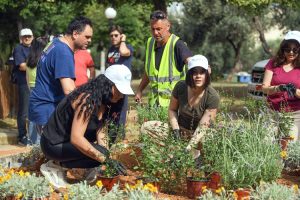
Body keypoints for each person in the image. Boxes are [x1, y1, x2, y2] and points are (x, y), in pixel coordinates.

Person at [40, 64, 134, 189]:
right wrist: (104, 159)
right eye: (119, 90)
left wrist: (106, 160)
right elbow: (76, 138)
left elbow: (101, 132)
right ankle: (54, 165)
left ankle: (81, 167)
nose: (121, 96)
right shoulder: (86, 100)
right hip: (53, 144)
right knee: (101, 155)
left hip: (68, 145)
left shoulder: (105, 102)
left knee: (103, 153)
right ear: (108, 85)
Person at [141, 55, 220, 157]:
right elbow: (172, 109)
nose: (198, 76)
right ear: (189, 74)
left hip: (200, 135)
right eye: (194, 72)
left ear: (207, 75)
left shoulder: (212, 96)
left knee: (211, 138)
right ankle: (165, 157)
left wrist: (188, 147)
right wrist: (175, 130)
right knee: (146, 127)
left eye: (202, 72)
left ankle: (197, 156)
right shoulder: (180, 86)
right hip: (181, 130)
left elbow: (203, 127)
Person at [29, 16, 93, 132]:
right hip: (48, 111)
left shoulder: (55, 43)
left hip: (42, 108)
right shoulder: (63, 52)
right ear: (75, 34)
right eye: (87, 37)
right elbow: (69, 90)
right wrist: (86, 114)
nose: (89, 40)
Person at [135, 10, 193, 107]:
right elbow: (148, 72)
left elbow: (190, 61)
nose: (155, 33)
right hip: (154, 105)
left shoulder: (177, 44)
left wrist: (202, 67)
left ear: (168, 26)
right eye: (153, 29)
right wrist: (140, 90)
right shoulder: (150, 43)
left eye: (159, 29)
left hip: (175, 105)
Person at [262, 30, 300, 140]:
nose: (291, 52)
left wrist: (294, 91)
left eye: (295, 49)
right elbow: (264, 88)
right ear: (282, 49)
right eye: (287, 49)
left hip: (294, 114)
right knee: (267, 144)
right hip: (272, 112)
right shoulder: (273, 63)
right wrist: (278, 88)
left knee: (288, 148)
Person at [106, 25, 134, 142]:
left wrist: (123, 40)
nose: (113, 38)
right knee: (110, 113)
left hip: (122, 87)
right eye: (111, 35)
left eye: (116, 35)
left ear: (121, 35)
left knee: (121, 113)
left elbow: (123, 52)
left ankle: (121, 141)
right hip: (110, 87)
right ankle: (110, 139)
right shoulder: (110, 50)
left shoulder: (127, 47)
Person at [13, 28, 34, 145]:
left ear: (33, 37)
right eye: (24, 36)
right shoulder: (18, 49)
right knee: (24, 110)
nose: (27, 38)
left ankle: (32, 136)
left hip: (35, 82)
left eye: (29, 36)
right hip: (23, 82)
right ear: (21, 38)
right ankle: (22, 136)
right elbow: (22, 66)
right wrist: (36, 65)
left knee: (34, 110)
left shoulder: (34, 49)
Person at [26, 37, 48, 145]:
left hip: (31, 87)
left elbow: (27, 76)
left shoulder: (30, 59)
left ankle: (31, 141)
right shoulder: (43, 59)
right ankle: (39, 142)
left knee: (32, 115)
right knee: (41, 114)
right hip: (41, 87)